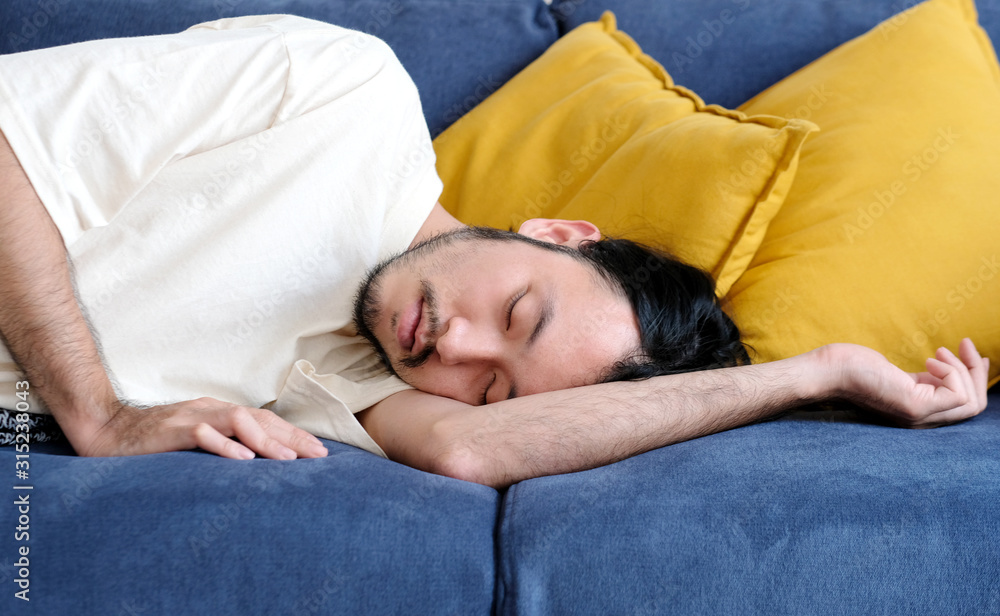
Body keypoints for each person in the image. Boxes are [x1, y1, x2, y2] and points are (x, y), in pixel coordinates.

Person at [0, 16, 989, 489]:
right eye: (518, 313)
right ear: (556, 232)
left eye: (491, 383)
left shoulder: (354, 374)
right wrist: (100, 411)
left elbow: (474, 449)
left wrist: (814, 372)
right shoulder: (346, 94)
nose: (454, 349)